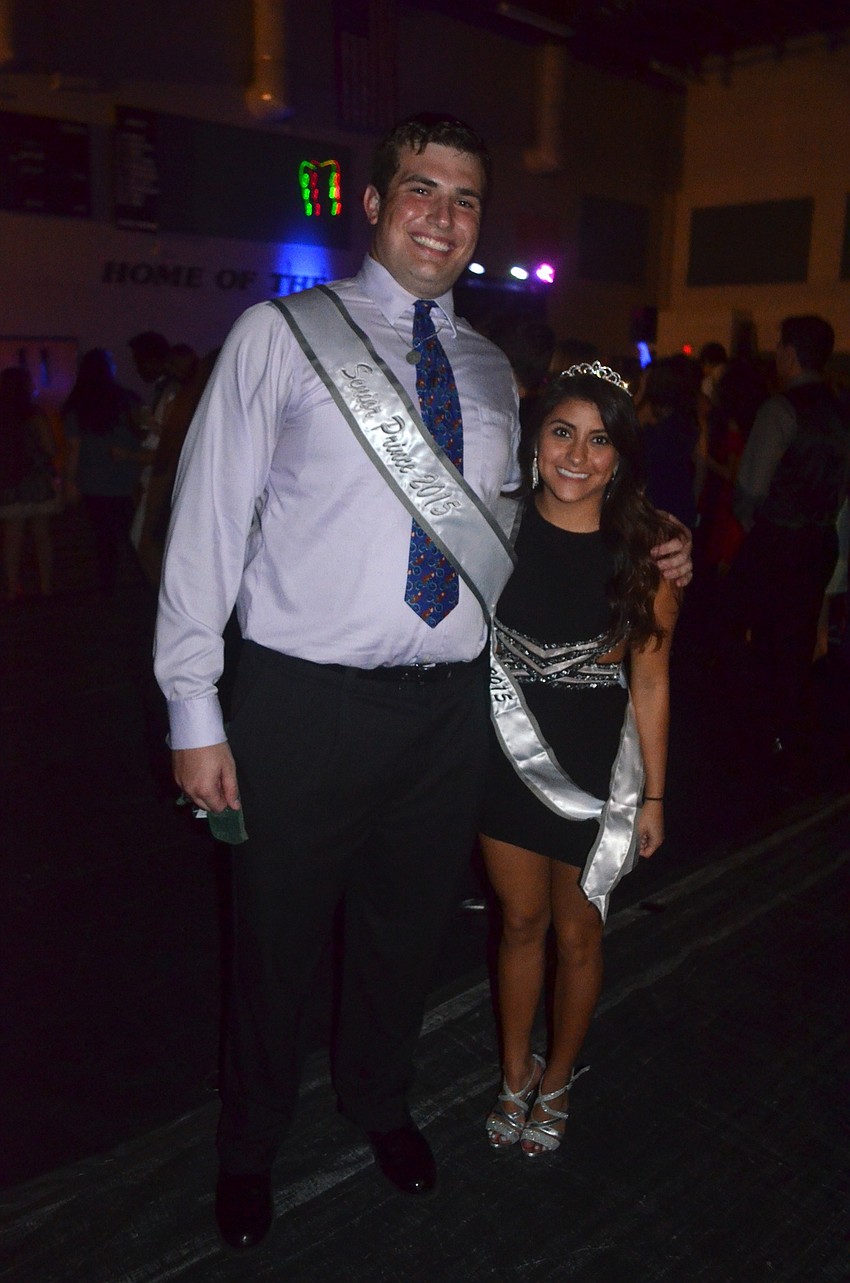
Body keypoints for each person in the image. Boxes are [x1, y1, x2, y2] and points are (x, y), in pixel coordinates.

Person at [154, 113, 692, 1252]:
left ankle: (377, 1102)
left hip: (449, 713)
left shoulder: (497, 371)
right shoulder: (281, 335)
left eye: (464, 199)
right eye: (421, 190)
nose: (442, 217)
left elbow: (536, 528)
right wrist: (194, 706)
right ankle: (249, 1144)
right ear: (373, 201)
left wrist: (650, 544)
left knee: (401, 936)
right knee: (275, 943)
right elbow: (203, 524)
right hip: (302, 701)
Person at [479, 364, 679, 1157]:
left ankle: (559, 1075)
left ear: (622, 455)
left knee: (578, 936)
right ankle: (512, 1069)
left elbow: (654, 679)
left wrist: (655, 798)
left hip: (600, 774)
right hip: (503, 761)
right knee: (519, 922)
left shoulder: (647, 552)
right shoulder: (494, 528)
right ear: (536, 439)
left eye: (601, 440)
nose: (578, 455)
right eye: (563, 432)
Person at [725, 315, 850, 754]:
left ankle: (752, 732)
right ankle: (786, 730)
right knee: (796, 641)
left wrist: (753, 523)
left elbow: (750, 489)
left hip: (777, 539)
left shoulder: (780, 409)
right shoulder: (840, 411)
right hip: (819, 540)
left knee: (755, 635)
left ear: (790, 353)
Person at [63, 349, 140, 597]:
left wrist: (70, 482)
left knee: (103, 536)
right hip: (126, 476)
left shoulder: (77, 405)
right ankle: (144, 581)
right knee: (133, 534)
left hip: (93, 480)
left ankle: (108, 584)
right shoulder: (127, 400)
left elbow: (74, 448)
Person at [0, 366, 58, 601]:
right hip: (36, 483)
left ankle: (13, 587)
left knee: (12, 537)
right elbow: (51, 448)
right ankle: (45, 586)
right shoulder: (35, 415)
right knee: (41, 535)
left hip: (8, 483)